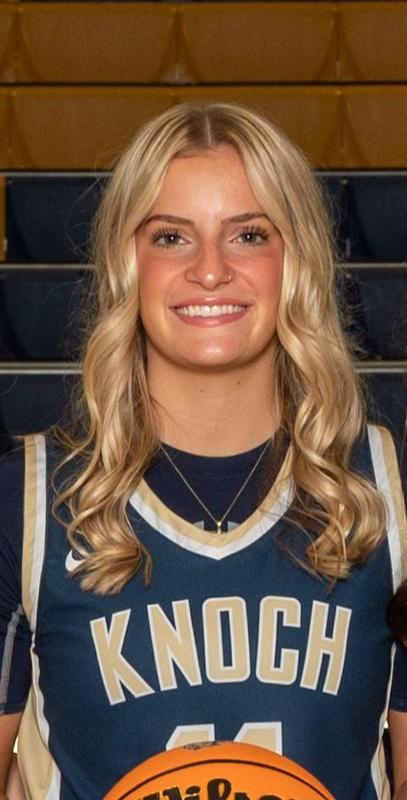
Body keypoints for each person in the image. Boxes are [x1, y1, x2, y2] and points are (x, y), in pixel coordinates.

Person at [0, 102, 406, 800]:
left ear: (297, 259)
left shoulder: (388, 497)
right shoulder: (28, 506)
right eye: (170, 237)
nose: (210, 270)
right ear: (126, 263)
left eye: (248, 234)